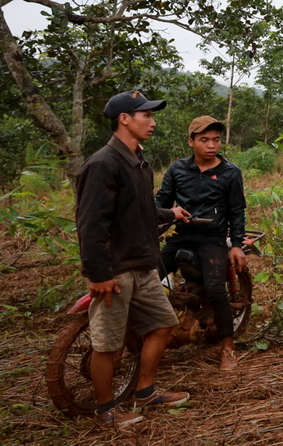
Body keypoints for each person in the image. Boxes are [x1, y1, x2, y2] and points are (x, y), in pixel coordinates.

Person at [75, 90, 191, 427]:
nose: (152, 122)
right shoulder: (103, 164)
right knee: (108, 343)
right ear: (124, 119)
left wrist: (170, 213)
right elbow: (91, 223)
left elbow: (138, 210)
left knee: (163, 324)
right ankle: (105, 410)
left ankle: (145, 390)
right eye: (146, 116)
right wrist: (99, 272)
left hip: (142, 264)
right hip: (117, 268)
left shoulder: (138, 161)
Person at [155, 116, 248, 371]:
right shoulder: (178, 170)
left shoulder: (230, 172)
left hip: (212, 239)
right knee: (150, 280)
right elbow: (162, 200)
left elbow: (237, 211)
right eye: (204, 140)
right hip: (181, 234)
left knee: (217, 289)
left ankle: (228, 347)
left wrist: (237, 245)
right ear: (191, 141)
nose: (211, 145)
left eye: (216, 140)